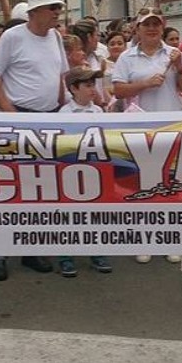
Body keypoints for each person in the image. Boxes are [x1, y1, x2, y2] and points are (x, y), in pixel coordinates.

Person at [0, 0, 69, 281]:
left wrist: (62, 107)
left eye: (58, 7)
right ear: (34, 12)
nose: (57, 12)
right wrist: (10, 113)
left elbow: (60, 76)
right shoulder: (12, 37)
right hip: (18, 120)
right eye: (52, 8)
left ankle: (30, 250)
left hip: (48, 121)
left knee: (37, 190)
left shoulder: (56, 37)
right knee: (7, 188)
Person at [113, 7, 182, 264]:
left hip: (171, 126)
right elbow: (118, 90)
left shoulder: (174, 54)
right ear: (137, 28)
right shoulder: (127, 57)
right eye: (146, 24)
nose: (151, 28)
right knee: (143, 184)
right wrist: (145, 84)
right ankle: (144, 238)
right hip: (138, 128)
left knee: (171, 183)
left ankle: (171, 239)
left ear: (162, 26)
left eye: (155, 24)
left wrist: (181, 67)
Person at [57, 66, 112, 276]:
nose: (92, 89)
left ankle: (96, 252)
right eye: (87, 85)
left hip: (94, 170)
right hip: (70, 171)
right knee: (67, 214)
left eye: (93, 85)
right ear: (73, 88)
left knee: (95, 213)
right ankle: (65, 256)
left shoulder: (98, 111)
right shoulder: (64, 114)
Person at [72, 18, 110, 108]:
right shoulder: (77, 62)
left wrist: (109, 102)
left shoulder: (97, 57)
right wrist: (100, 103)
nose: (98, 39)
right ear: (89, 37)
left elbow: (101, 86)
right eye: (97, 35)